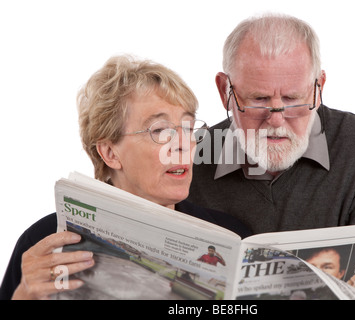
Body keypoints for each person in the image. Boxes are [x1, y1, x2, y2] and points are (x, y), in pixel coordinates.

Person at [187, 13, 355, 299]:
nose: (276, 121)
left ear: (319, 89)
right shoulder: (191, 156)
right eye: (259, 100)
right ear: (225, 91)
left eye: (293, 99)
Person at [0, 55, 251, 300]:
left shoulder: (232, 237)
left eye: (188, 128)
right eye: (161, 131)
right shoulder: (44, 242)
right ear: (110, 153)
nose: (183, 144)